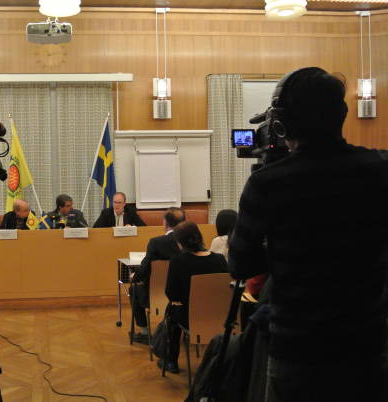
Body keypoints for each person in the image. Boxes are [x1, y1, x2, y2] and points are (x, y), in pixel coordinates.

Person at [228, 67, 388, 402]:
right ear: (342, 114)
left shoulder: (268, 183)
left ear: (282, 124)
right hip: (368, 346)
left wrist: (286, 249)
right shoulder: (379, 169)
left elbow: (240, 265)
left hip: (298, 351)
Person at [163, 221, 228, 373]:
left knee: (171, 311)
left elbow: (171, 294)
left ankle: (171, 361)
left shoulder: (178, 261)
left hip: (191, 318)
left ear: (180, 242)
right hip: (221, 316)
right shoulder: (219, 259)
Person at [129, 207, 185, 345]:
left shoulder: (156, 242)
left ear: (165, 223)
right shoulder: (190, 240)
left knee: (133, 289)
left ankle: (144, 333)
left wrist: (134, 277)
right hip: (185, 296)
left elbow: (145, 269)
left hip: (157, 295)